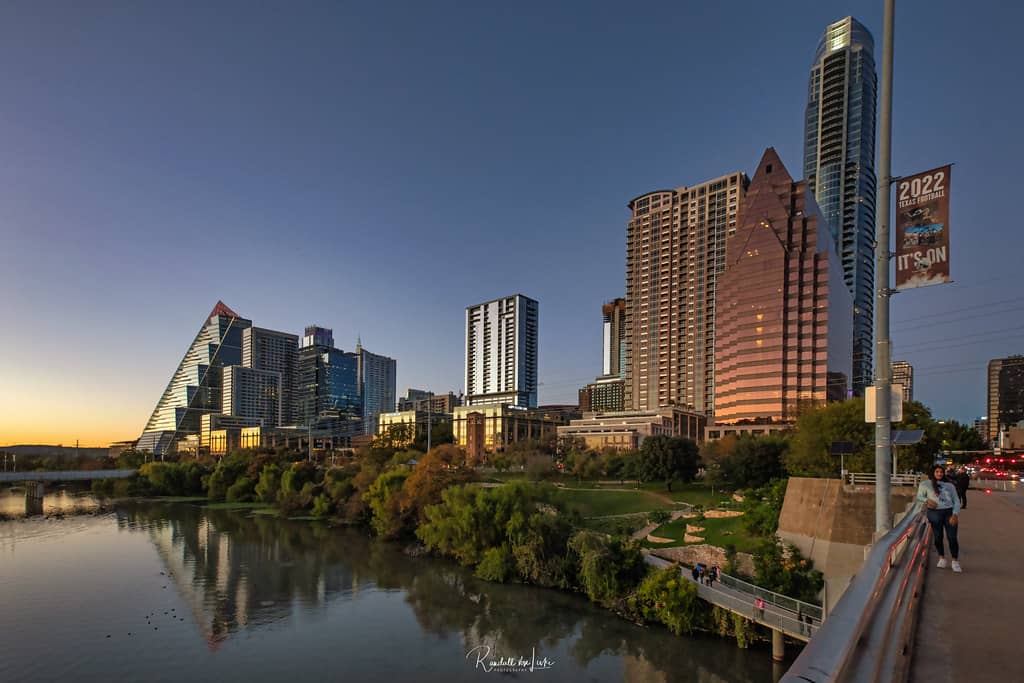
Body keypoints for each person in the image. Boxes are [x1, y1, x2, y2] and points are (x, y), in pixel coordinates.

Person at [916, 464, 962, 572]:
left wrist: (955, 514)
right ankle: (942, 558)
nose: (939, 474)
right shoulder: (925, 484)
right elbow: (919, 497)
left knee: (952, 537)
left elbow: (956, 500)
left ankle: (955, 561)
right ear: (933, 473)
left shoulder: (949, 485)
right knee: (938, 537)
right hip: (934, 513)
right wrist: (927, 500)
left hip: (949, 512)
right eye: (937, 472)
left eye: (941, 472)